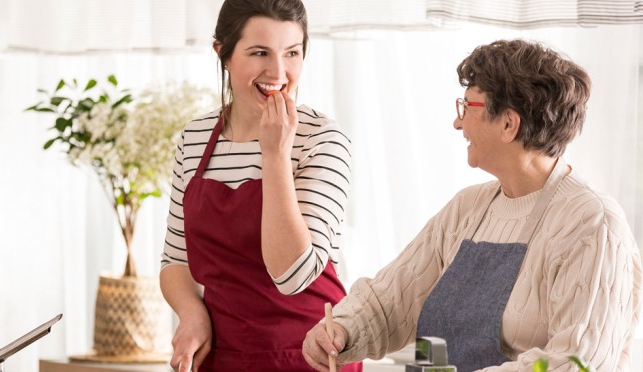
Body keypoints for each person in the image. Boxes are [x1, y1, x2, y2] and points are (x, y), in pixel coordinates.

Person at [302, 39, 642, 372]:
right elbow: (393, 298)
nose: (457, 122)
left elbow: (578, 362)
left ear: (509, 124)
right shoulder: (467, 208)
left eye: (467, 107)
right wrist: (343, 330)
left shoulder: (592, 223)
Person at [159, 0, 360, 371]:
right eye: (259, 52)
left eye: (292, 53)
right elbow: (176, 259)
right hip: (223, 356)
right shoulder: (195, 138)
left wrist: (276, 155)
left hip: (310, 357)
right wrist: (192, 315)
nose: (279, 72)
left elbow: (294, 275)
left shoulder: (322, 139)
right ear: (223, 54)